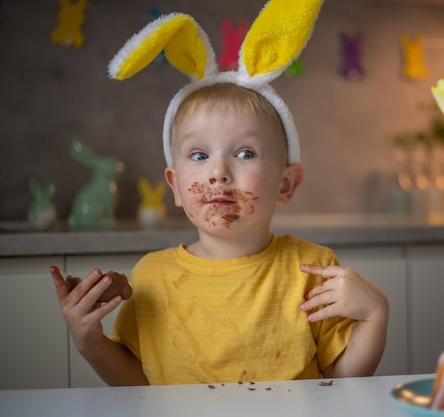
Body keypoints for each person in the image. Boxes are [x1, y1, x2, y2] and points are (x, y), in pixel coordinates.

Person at [50, 0, 389, 386]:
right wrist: (90, 342)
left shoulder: (312, 270)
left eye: (245, 153)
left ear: (286, 183)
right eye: (199, 154)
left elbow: (338, 381)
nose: (218, 173)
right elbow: (137, 386)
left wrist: (376, 314)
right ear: (175, 186)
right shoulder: (152, 277)